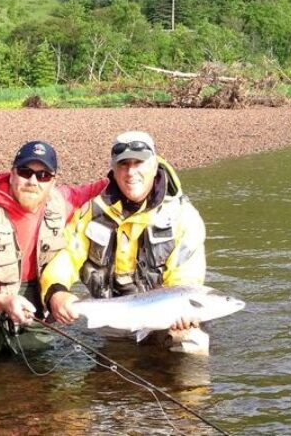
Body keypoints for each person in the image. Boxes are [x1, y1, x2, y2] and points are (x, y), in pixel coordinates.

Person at [0, 140, 107, 371]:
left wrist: (144, 171)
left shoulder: (61, 201)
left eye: (43, 175)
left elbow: (102, 187)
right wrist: (1, 301)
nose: (33, 181)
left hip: (27, 302)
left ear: (53, 181)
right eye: (26, 172)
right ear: (12, 173)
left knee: (35, 354)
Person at [40, 131, 208, 351]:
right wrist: (56, 292)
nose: (131, 172)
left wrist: (184, 315)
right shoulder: (90, 212)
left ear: (155, 164)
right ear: (113, 169)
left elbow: (187, 277)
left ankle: (189, 386)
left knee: (191, 341)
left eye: (139, 163)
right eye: (123, 164)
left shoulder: (183, 216)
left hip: (165, 318)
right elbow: (68, 256)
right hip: (112, 319)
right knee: (116, 363)